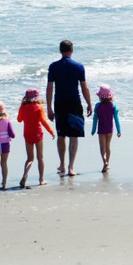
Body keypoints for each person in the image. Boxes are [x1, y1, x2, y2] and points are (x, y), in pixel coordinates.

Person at [46, 40, 92, 177]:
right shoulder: (78, 66)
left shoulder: (54, 67)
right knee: (74, 135)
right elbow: (84, 87)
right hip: (74, 103)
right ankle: (71, 167)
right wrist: (89, 103)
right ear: (72, 50)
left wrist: (48, 108)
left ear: (60, 50)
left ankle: (62, 164)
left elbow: (49, 88)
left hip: (59, 103)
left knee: (61, 135)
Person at [17, 88, 55, 188]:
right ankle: (41, 179)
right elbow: (43, 121)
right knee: (40, 157)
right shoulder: (39, 107)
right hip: (38, 134)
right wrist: (51, 132)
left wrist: (22, 107)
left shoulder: (23, 108)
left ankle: (25, 174)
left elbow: (19, 120)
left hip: (27, 134)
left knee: (30, 158)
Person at [91, 84, 122, 173]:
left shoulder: (97, 106)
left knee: (102, 147)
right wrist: (119, 131)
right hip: (109, 129)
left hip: (101, 130)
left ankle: (105, 163)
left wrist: (93, 130)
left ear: (100, 96)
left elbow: (95, 119)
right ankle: (107, 163)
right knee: (108, 146)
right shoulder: (113, 106)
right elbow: (116, 120)